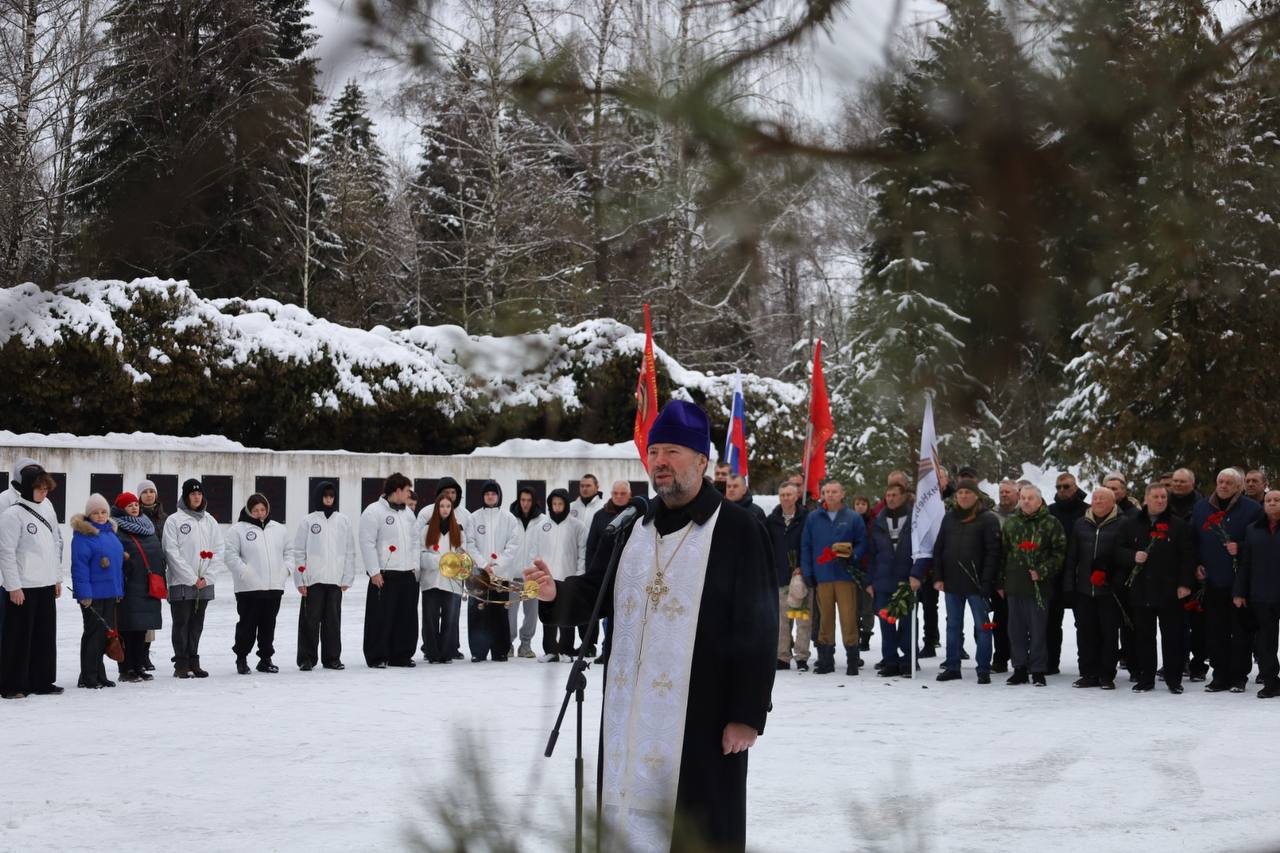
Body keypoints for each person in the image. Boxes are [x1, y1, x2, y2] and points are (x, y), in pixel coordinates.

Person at [526, 399, 775, 852]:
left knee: (698, 826)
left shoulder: (738, 529)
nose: (659, 461)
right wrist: (555, 594)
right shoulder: (630, 528)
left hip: (702, 716)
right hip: (629, 715)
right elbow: (598, 590)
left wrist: (746, 714)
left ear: (702, 460)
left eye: (673, 451)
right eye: (654, 451)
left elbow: (758, 625)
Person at [1192, 468, 1263, 693]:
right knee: (1215, 631)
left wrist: (1239, 548)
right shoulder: (1202, 507)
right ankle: (1219, 675)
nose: (1223, 486)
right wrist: (1197, 564)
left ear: (1239, 487)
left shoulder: (1252, 509)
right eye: (1220, 482)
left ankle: (1238, 676)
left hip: (1240, 582)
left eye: (1229, 483)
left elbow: (1260, 542)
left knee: (1240, 631)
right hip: (1213, 581)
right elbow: (1193, 539)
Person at [0, 466, 63, 698]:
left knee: (44, 636)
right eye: (39, 489)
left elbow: (55, 543)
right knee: (18, 637)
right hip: (23, 585)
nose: (44, 493)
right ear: (27, 488)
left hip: (45, 583)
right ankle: (12, 684)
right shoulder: (11, 515)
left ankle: (42, 680)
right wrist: (13, 586)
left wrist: (56, 578)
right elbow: (6, 552)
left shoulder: (47, 507)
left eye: (46, 489)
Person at [1126, 482, 1194, 694]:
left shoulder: (1178, 525)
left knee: (1172, 636)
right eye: (1155, 497)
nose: (1160, 500)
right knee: (1144, 637)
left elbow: (1188, 557)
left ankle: (1174, 679)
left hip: (1170, 591)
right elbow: (1118, 551)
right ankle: (1146, 678)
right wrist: (1132, 557)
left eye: (1163, 497)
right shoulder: (1132, 523)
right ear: (1146, 499)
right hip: (1141, 590)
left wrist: (1185, 584)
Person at [932, 479, 1001, 683]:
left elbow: (993, 553)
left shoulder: (988, 519)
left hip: (977, 584)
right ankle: (952, 666)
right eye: (960, 492)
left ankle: (983, 669)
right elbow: (939, 549)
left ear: (976, 496)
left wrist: (987, 582)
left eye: (967, 492)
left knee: (983, 627)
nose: (963, 496)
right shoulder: (949, 518)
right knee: (953, 626)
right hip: (952, 583)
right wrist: (938, 576)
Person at [1065, 488, 1134, 690]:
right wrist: (1070, 586)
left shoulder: (1123, 524)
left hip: (1109, 591)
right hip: (1084, 590)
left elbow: (1124, 557)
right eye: (1095, 498)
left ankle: (1106, 675)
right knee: (1085, 634)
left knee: (1108, 634)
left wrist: (1114, 579)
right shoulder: (1080, 523)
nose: (1097, 502)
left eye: (1102, 499)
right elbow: (1072, 558)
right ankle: (1088, 673)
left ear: (1113, 503)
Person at [998, 485, 1066, 686]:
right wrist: (1000, 581)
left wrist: (1043, 571)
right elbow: (1002, 554)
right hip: (1015, 584)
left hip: (1039, 586)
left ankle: (1037, 669)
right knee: (1015, 630)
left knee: (1038, 630)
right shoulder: (1011, 523)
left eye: (1030, 498)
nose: (1026, 501)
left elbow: (1060, 552)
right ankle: (1019, 668)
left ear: (1039, 500)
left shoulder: (1051, 523)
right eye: (1023, 498)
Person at [801, 480, 868, 676]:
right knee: (825, 619)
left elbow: (862, 542)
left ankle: (852, 659)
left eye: (834, 491)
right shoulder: (814, 518)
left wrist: (853, 555)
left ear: (842, 494)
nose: (829, 495)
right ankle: (825, 659)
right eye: (826, 491)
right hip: (822, 576)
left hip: (845, 575)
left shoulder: (853, 517)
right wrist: (808, 571)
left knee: (848, 618)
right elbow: (806, 545)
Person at [290, 480, 356, 671]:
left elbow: (350, 551)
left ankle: (332, 657)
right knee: (310, 620)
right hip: (313, 580)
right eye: (325, 496)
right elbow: (299, 551)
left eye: (331, 496)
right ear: (319, 497)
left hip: (335, 580)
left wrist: (347, 577)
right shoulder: (308, 521)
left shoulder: (343, 520)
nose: (328, 499)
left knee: (333, 621)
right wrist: (300, 579)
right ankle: (306, 658)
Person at [224, 493, 290, 674]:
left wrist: (285, 570)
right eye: (255, 510)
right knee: (248, 625)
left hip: (273, 586)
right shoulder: (237, 530)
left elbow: (289, 552)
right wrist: (245, 572)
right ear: (248, 510)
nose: (260, 513)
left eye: (262, 509)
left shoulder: (278, 529)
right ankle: (242, 658)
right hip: (249, 588)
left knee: (269, 625)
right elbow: (230, 556)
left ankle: (265, 659)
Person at [163, 479, 223, 679]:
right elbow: (171, 552)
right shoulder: (174, 520)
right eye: (192, 494)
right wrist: (190, 577)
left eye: (199, 494)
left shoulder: (210, 521)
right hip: (182, 581)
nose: (196, 497)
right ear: (185, 496)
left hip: (204, 581)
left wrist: (207, 576)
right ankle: (181, 663)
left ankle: (193, 660)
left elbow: (219, 549)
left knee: (197, 623)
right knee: (182, 622)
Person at [360, 473, 420, 669]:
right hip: (385, 574)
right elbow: (367, 543)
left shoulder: (408, 514)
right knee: (381, 618)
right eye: (407, 490)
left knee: (406, 617)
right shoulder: (373, 511)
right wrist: (374, 572)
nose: (409, 494)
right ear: (397, 491)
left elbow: (415, 542)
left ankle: (401, 655)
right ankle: (377, 656)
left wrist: (415, 567)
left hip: (407, 573)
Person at [867, 483, 923, 678]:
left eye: (894, 495)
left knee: (908, 623)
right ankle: (890, 661)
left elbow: (922, 549)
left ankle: (909, 661)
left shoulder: (914, 519)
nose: (890, 498)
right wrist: (869, 581)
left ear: (903, 496)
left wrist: (917, 573)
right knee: (886, 623)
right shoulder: (879, 520)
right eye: (887, 495)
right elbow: (872, 553)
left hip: (906, 579)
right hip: (883, 580)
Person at [70, 494, 126, 689]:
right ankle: (88, 676)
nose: (101, 516)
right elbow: (79, 568)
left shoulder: (110, 533)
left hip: (109, 592)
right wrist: (84, 594)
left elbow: (117, 566)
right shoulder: (83, 536)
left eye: (103, 512)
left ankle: (98, 674)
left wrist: (119, 590)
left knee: (103, 635)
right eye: (95, 513)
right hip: (92, 594)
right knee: (93, 634)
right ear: (88, 515)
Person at [466, 480, 523, 662]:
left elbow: (513, 546)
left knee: (499, 612)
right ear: (483, 497)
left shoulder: (509, 519)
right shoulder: (474, 518)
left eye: (493, 493)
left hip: (500, 575)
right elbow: (470, 544)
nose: (490, 496)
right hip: (478, 576)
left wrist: (497, 565)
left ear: (498, 496)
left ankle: (500, 650)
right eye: (487, 494)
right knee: (478, 612)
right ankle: (478, 651)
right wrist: (483, 565)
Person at [528, 488, 586, 662]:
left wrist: (579, 575)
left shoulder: (577, 526)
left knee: (567, 615)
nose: (557, 507)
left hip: (568, 578)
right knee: (548, 615)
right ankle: (551, 651)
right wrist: (537, 574)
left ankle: (566, 650)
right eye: (554, 504)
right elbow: (534, 552)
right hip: (546, 579)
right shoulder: (541, 526)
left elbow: (582, 553)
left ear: (566, 505)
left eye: (560, 503)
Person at [112, 492, 163, 683]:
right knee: (127, 629)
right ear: (120, 509)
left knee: (141, 630)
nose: (134, 508)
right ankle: (126, 669)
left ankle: (139, 665)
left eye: (135, 504)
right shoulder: (116, 528)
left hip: (147, 584)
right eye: (129, 505)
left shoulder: (147, 526)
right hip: (128, 585)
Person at [1236, 490, 1280, 698]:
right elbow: (1246, 564)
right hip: (1262, 594)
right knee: (1265, 642)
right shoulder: (1252, 530)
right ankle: (1271, 682)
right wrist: (1240, 592)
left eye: (1277, 500)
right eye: (1268, 500)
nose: (1272, 503)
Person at [583, 480, 632, 660]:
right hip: (606, 574)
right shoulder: (600, 516)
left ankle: (625, 651)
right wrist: (591, 572)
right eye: (615, 493)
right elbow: (591, 547)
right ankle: (607, 649)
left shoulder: (637, 515)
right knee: (607, 615)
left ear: (629, 494)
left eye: (623, 494)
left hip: (631, 574)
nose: (619, 497)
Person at [1047, 472, 1089, 675]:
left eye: (1066, 486)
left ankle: (1087, 665)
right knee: (1051, 623)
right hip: (1054, 575)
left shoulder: (1087, 511)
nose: (1062, 490)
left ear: (1075, 487)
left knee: (1084, 623)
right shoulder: (1049, 511)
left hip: (1080, 575)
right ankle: (1050, 663)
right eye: (1058, 487)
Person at [424, 476, 469, 661]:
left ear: (452, 508)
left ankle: (447, 652)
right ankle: (432, 652)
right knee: (430, 619)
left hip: (452, 582)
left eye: (448, 506)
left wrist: (458, 565)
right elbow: (421, 554)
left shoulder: (459, 530)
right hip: (432, 580)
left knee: (450, 619)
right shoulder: (427, 529)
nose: (445, 509)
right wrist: (440, 562)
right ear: (437, 507)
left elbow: (464, 555)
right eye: (442, 506)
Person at [768, 482, 812, 671]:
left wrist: (802, 565)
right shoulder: (772, 520)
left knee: (802, 620)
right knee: (782, 621)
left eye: (789, 494)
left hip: (799, 578)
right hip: (779, 577)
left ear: (796, 496)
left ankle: (801, 656)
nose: (785, 498)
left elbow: (810, 544)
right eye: (782, 495)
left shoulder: (806, 518)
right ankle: (782, 656)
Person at [507, 487, 543, 659]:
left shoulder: (542, 520)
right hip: (513, 575)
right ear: (518, 500)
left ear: (533, 501)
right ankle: (508, 643)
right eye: (523, 500)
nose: (525, 504)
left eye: (529, 500)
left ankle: (526, 645)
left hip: (532, 576)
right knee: (510, 613)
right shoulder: (510, 519)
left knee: (531, 613)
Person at [135, 479, 166, 672]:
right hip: (139, 571)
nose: (148, 495)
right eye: (145, 492)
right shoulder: (134, 515)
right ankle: (137, 654)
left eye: (151, 491)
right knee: (138, 614)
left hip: (156, 571)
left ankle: (146, 653)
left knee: (151, 615)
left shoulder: (164, 518)